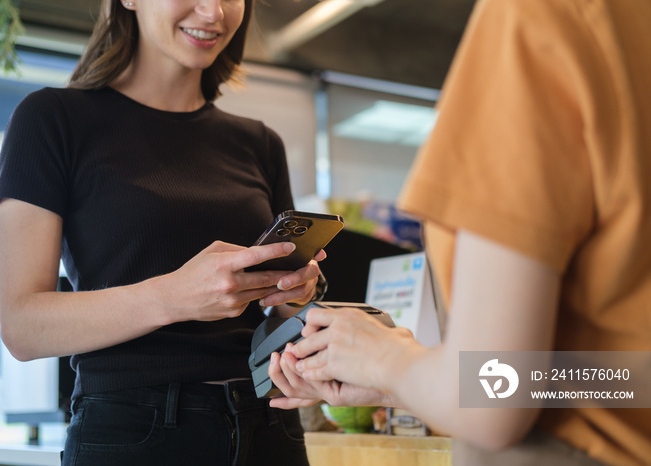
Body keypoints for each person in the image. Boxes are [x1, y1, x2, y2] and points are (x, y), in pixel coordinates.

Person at [268, 0, 651, 465]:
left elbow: (498, 392)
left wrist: (385, 354)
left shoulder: (540, 17)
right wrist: (408, 379)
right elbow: (626, 378)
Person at [0, 0, 323, 464]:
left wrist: (295, 293)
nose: (214, 12)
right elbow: (23, 328)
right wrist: (174, 296)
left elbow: (277, 317)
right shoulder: (52, 119)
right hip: (133, 431)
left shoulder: (260, 143)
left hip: (269, 425)